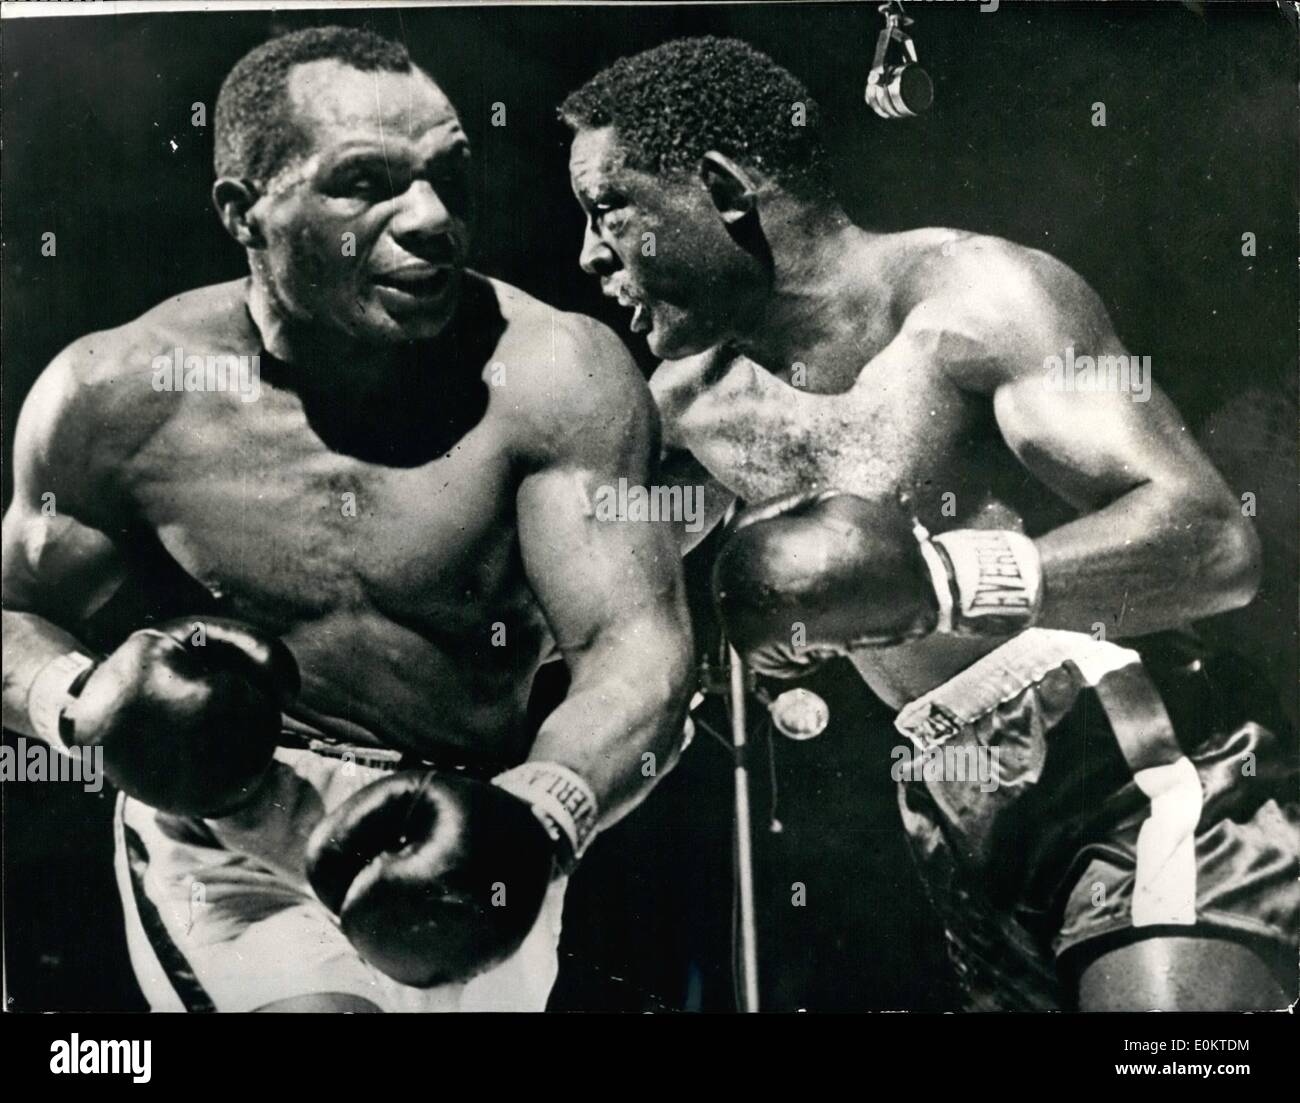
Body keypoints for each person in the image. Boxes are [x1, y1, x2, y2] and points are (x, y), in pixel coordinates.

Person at [561, 35, 1298, 1011]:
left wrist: (940, 581)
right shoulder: (693, 403)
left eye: (606, 210)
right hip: (957, 820)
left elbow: (1208, 540)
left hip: (1134, 757)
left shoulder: (979, 301)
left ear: (719, 186)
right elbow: (578, 601)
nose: (586, 255)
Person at [2, 26, 693, 1013]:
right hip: (231, 838)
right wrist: (79, 702)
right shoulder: (117, 390)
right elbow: (10, 615)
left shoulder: (554, 373)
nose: (432, 220)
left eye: (447, 175)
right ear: (245, 213)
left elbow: (637, 645)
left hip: (474, 821)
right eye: (364, 183)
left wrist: (544, 814)